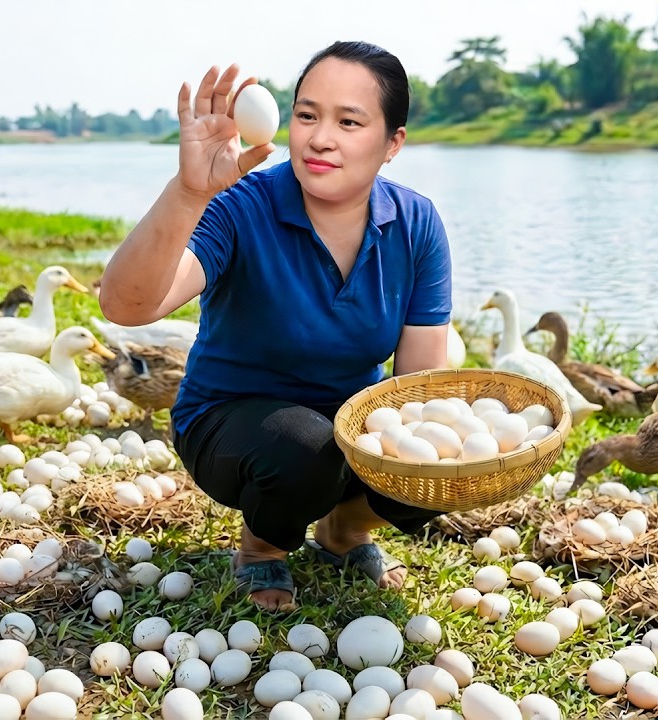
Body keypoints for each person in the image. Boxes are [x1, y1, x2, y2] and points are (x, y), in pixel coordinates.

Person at [99, 41, 453, 610]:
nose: (320, 137)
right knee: (304, 452)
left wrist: (440, 449)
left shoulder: (415, 221)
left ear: (392, 144)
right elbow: (127, 306)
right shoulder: (240, 204)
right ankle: (262, 547)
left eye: (349, 121)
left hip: (352, 426)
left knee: (440, 460)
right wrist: (190, 192)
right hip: (233, 424)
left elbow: (419, 385)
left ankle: (344, 531)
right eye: (307, 114)